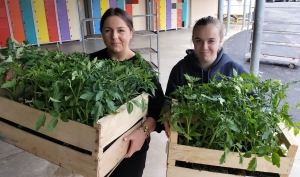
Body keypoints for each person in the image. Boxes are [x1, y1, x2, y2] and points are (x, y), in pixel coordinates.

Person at [89, 8, 164, 177]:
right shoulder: (91, 62)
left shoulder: (142, 68)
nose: (114, 36)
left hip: (130, 147)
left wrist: (143, 132)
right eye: (108, 30)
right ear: (102, 33)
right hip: (97, 144)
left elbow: (158, 108)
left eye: (121, 30)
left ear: (131, 32)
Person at [163, 16, 250, 137]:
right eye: (199, 40)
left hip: (223, 142)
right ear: (193, 40)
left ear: (221, 40)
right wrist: (166, 111)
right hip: (187, 138)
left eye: (211, 41)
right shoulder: (180, 69)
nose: (204, 47)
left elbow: (254, 100)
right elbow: (168, 99)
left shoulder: (235, 70)